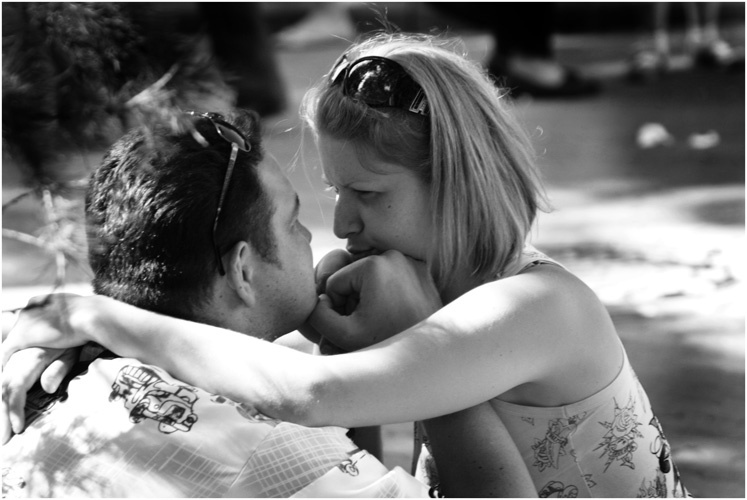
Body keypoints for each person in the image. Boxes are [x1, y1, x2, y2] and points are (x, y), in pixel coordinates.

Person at [3, 32, 688, 497]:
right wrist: (345, 342)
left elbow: (306, 395)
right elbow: (358, 469)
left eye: (368, 193)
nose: (342, 224)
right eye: (335, 192)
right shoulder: (410, 287)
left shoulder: (535, 307)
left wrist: (94, 316)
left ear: (458, 183)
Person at [0, 110, 439, 498]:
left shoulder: (39, 373)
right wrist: (425, 363)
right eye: (293, 222)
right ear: (243, 270)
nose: (319, 235)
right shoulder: (277, 454)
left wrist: (351, 375)